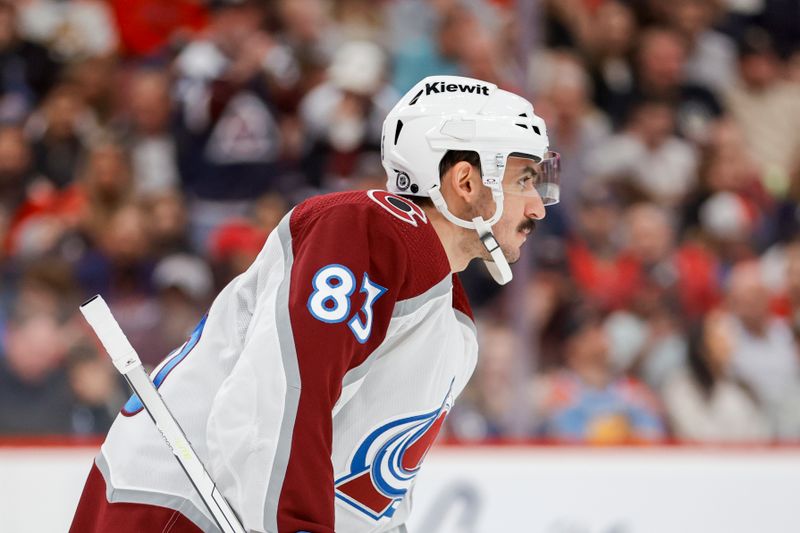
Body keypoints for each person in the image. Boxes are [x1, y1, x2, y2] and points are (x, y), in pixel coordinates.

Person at [70, 75, 560, 533]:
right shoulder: (362, 231)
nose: (538, 206)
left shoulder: (450, 322)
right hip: (179, 513)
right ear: (467, 182)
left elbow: (369, 496)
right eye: (523, 180)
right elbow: (281, 395)